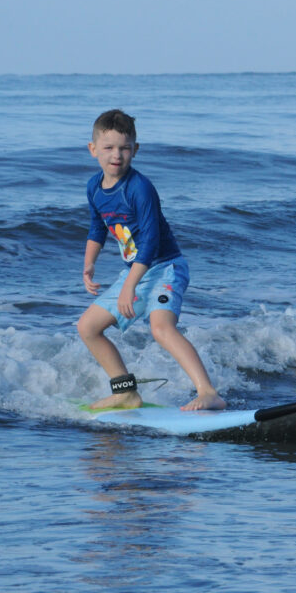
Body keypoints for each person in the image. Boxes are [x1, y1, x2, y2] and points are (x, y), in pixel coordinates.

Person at [76, 109, 226, 411]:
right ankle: (125, 392)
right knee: (87, 327)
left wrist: (129, 286)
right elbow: (97, 227)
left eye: (124, 147)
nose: (116, 155)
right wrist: (89, 263)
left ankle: (208, 392)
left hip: (165, 268)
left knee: (161, 328)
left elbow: (151, 242)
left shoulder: (140, 188)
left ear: (135, 150)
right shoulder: (94, 187)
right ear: (93, 150)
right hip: (136, 271)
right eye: (108, 147)